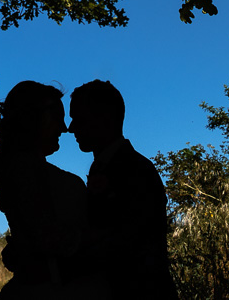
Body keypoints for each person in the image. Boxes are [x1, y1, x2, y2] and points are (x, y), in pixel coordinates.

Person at [0, 81, 107, 299]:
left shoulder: (23, 170)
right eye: (57, 118)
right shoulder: (23, 171)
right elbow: (47, 236)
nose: (64, 127)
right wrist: (104, 236)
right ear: (35, 119)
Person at [67, 80, 177, 300]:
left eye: (78, 118)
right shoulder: (104, 166)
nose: (71, 128)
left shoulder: (137, 170)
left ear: (104, 117)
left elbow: (130, 240)